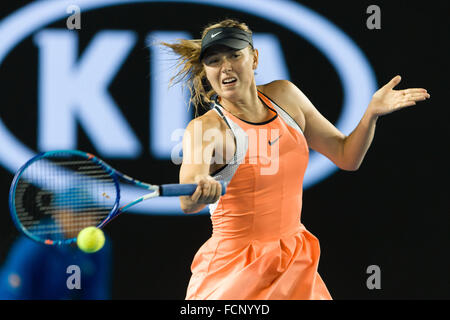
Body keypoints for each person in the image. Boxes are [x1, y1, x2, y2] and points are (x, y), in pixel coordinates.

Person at [161, 18, 430, 300]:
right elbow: (188, 200)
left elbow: (346, 155)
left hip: (293, 259)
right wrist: (202, 188)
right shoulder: (206, 129)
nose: (225, 67)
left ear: (253, 58)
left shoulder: (286, 97)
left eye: (234, 55)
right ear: (206, 70)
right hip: (235, 271)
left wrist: (371, 114)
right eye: (214, 60)